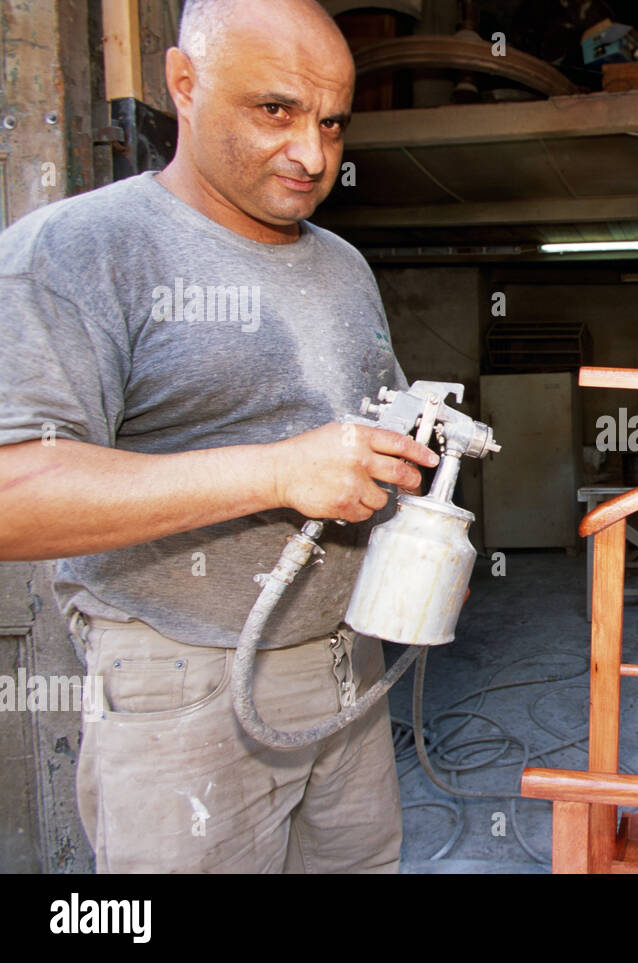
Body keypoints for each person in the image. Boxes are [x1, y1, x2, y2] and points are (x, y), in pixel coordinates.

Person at [0, 0, 435, 872]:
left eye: (332, 124)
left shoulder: (342, 265)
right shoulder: (80, 250)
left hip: (346, 665)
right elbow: (15, 495)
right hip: (184, 686)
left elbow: (366, 435)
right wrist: (279, 471)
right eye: (275, 111)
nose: (311, 155)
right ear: (183, 83)